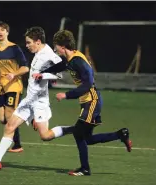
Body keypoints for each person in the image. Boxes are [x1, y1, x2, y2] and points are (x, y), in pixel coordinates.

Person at [0, 26, 72, 170]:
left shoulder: (48, 54)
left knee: (45, 136)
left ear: (38, 41)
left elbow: (60, 73)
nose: (27, 46)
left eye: (29, 43)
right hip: (29, 100)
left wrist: (43, 75)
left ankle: (72, 129)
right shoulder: (39, 52)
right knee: (10, 126)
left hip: (40, 102)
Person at [47, 30, 132, 176]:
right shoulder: (70, 59)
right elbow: (61, 66)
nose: (55, 49)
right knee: (88, 139)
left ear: (62, 46)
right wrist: (43, 72)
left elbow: (87, 85)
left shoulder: (79, 61)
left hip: (92, 101)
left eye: (56, 46)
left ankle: (85, 169)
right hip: (87, 102)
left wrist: (66, 95)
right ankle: (120, 134)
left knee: (79, 134)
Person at [0, 21, 29, 153]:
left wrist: (14, 74)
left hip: (14, 86)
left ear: (7, 32)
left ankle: (16, 145)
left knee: (9, 114)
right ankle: (23, 119)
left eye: (2, 30)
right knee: (2, 118)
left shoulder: (14, 48)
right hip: (2, 87)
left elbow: (25, 67)